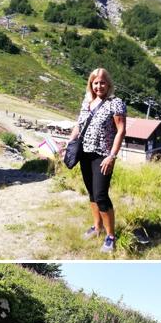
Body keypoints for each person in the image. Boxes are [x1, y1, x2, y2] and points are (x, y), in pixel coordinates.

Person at [68, 68, 126, 252]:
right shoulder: (87, 102)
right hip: (85, 154)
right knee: (92, 193)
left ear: (108, 84)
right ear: (91, 84)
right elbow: (79, 125)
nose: (99, 86)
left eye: (102, 82)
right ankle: (97, 227)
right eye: (95, 82)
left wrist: (112, 156)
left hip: (103, 156)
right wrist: (69, 143)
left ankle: (110, 236)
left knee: (101, 195)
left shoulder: (115, 103)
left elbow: (121, 130)